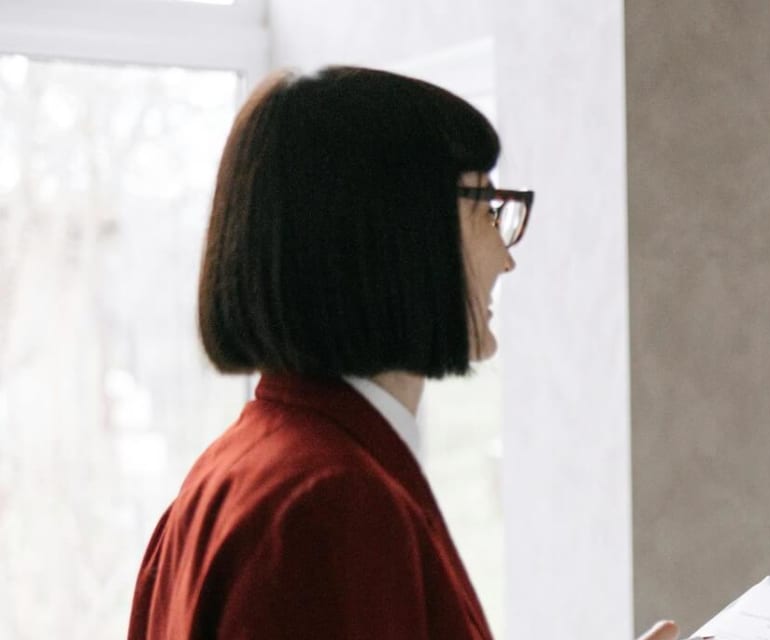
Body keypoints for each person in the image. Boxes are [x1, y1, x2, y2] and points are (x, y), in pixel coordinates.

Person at [126, 67, 678, 640]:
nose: (504, 257)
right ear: (402, 234)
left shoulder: (237, 474)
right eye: (486, 209)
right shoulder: (331, 503)